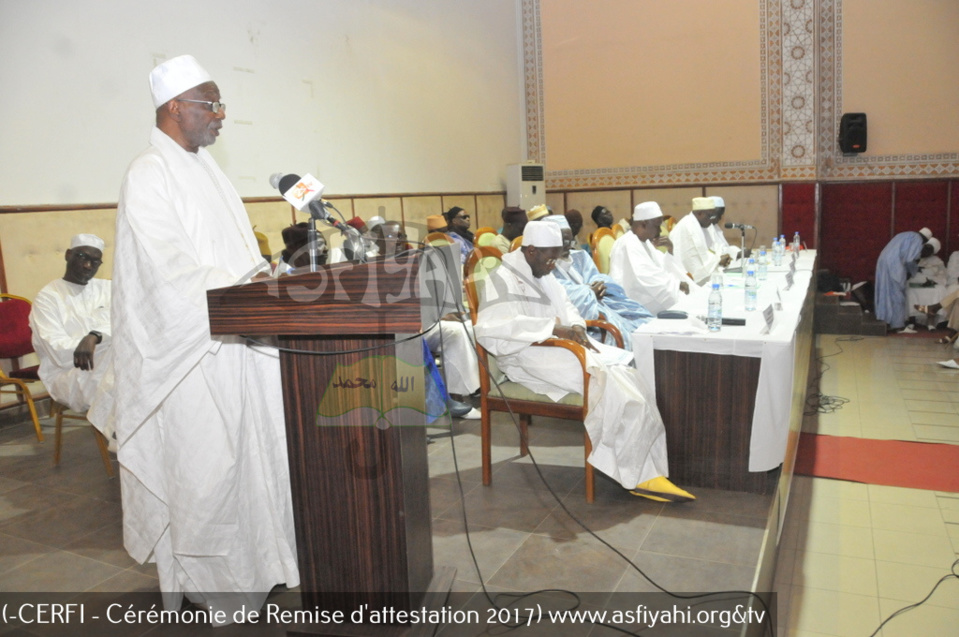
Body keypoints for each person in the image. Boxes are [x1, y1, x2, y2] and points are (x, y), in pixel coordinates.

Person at [91, 54, 299, 619]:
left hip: (236, 345)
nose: (221, 115)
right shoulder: (148, 173)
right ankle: (213, 585)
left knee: (250, 464)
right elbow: (164, 275)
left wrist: (262, 276)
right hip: (187, 357)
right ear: (175, 107)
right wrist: (244, 281)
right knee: (205, 472)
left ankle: (258, 570)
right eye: (212, 104)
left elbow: (239, 258)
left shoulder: (208, 171)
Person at [473, 221, 694, 502]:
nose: (554, 264)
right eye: (550, 256)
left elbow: (569, 308)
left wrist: (575, 325)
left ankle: (647, 468)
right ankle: (633, 474)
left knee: (628, 374)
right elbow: (491, 328)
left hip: (558, 348)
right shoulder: (502, 278)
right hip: (524, 355)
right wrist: (553, 329)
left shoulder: (544, 272)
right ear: (530, 251)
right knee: (608, 383)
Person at [373, 220, 480, 418]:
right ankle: (437, 401)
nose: (397, 241)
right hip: (396, 332)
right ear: (377, 243)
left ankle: (461, 391)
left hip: (426, 323)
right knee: (413, 341)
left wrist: (443, 311)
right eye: (390, 237)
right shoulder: (371, 268)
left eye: (401, 236)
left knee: (459, 331)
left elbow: (432, 296)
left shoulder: (418, 260)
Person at [30, 234, 113, 427]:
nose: (87, 266)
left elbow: (126, 324)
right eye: (82, 256)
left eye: (94, 261)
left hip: (108, 364)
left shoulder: (108, 288)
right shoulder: (48, 298)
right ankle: (128, 442)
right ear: (68, 255)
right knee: (127, 376)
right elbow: (60, 354)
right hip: (71, 374)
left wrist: (96, 336)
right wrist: (108, 341)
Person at [544, 215, 653, 345]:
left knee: (644, 322)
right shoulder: (543, 264)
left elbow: (596, 276)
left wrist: (599, 285)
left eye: (571, 242)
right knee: (627, 335)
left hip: (602, 305)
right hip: (582, 319)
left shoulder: (579, 256)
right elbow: (559, 291)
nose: (569, 247)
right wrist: (589, 291)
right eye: (564, 243)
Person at [609, 202, 696, 315]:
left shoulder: (644, 242)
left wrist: (670, 251)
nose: (660, 231)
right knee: (686, 306)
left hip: (646, 292)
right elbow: (646, 276)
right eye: (657, 226)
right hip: (633, 300)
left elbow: (659, 266)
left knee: (691, 299)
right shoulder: (628, 243)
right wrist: (676, 284)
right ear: (644, 223)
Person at [874, 229, 930, 332]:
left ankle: (886, 321)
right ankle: (898, 325)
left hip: (883, 262)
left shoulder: (904, 234)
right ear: (925, 240)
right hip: (895, 266)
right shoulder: (917, 239)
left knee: (885, 292)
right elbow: (910, 259)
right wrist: (914, 270)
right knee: (897, 295)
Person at [669, 197, 732, 284]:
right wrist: (718, 260)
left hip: (706, 277)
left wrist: (719, 258)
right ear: (699, 213)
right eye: (710, 216)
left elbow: (712, 249)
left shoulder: (703, 225)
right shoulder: (688, 226)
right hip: (687, 282)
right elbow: (693, 263)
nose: (712, 219)